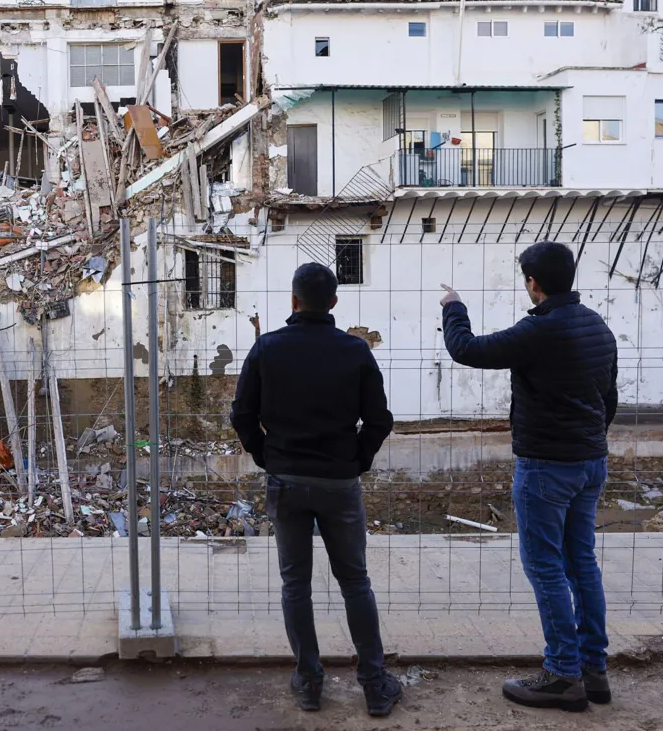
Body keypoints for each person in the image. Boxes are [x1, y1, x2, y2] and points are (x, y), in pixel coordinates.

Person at [440, 241, 618, 712]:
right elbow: (609, 397)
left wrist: (453, 306)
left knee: (545, 566)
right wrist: (588, 441)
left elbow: (466, 349)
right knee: (581, 562)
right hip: (590, 462)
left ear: (533, 283)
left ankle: (562, 674)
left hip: (546, 466)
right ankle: (593, 669)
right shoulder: (595, 325)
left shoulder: (538, 330)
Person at [230, 262, 401, 717]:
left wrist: (268, 456)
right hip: (339, 483)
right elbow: (380, 420)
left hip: (287, 481)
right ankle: (375, 685)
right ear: (334, 303)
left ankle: (309, 683)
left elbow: (242, 415)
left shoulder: (267, 349)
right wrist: (356, 460)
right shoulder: (355, 351)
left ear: (293, 301)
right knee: (355, 582)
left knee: (295, 585)